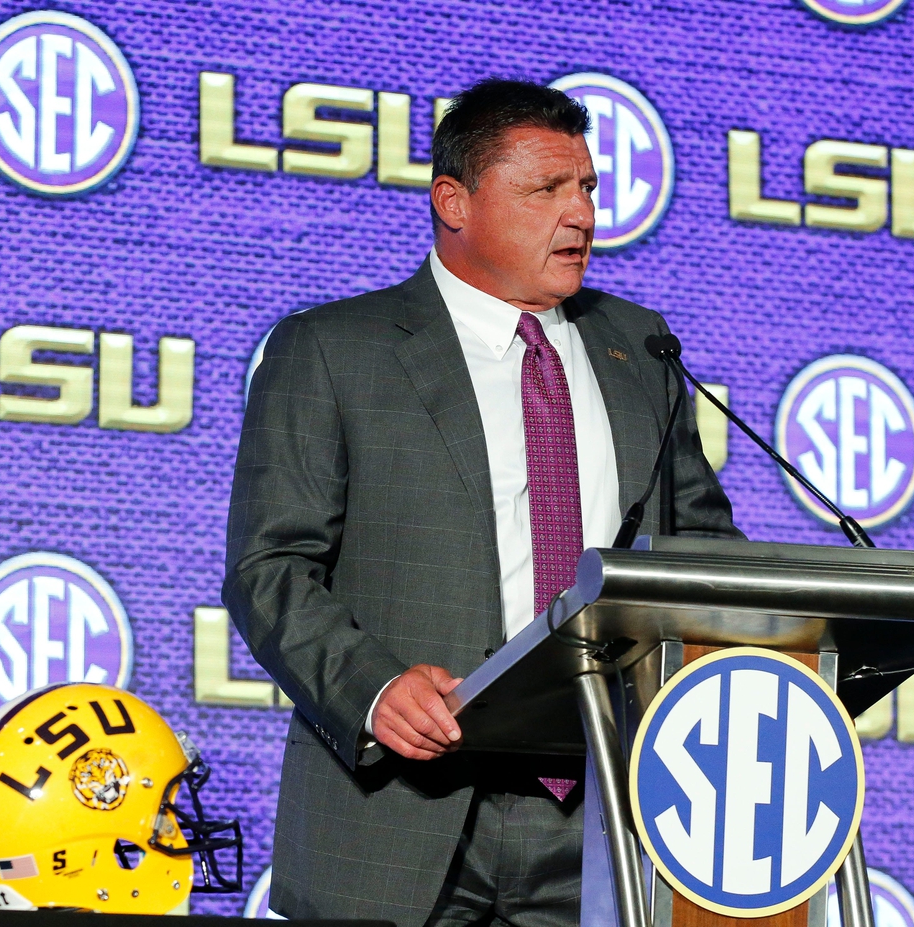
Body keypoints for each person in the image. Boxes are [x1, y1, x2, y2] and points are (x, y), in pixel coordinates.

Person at [223, 78, 739, 927]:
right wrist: (374, 686)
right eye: (547, 189)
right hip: (400, 810)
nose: (580, 214)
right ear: (453, 201)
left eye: (588, 188)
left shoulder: (638, 350)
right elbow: (268, 567)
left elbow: (705, 556)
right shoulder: (333, 350)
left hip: (606, 816)